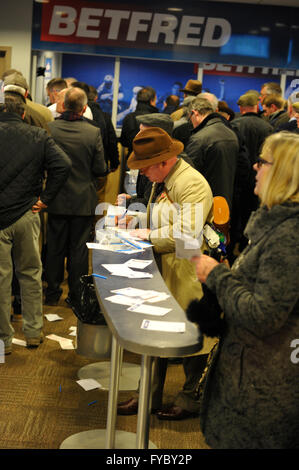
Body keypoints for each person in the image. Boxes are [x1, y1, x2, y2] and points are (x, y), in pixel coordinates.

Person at [191, 131, 299, 449]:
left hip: (265, 383)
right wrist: (228, 275)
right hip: (252, 372)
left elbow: (263, 315)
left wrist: (217, 277)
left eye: (262, 161)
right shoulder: (274, 225)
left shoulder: (287, 235)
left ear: (282, 173)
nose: (254, 167)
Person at [116, 127, 215, 420]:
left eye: (144, 167)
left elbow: (187, 235)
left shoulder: (191, 184)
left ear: (164, 160)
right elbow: (162, 218)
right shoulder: (164, 179)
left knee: (195, 335)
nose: (142, 173)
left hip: (187, 270)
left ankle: (190, 398)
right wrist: (135, 220)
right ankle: (147, 395)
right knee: (154, 331)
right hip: (164, 267)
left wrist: (146, 236)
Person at [0, 94, 71, 354]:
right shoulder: (38, 136)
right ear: (22, 114)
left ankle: (3, 342)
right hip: (26, 214)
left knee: (0, 280)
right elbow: (63, 164)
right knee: (30, 275)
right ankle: (32, 332)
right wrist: (45, 199)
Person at [44, 87, 107, 307]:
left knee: (54, 247)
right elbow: (100, 168)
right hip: (83, 199)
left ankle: (51, 294)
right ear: (84, 107)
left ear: (63, 105)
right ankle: (75, 296)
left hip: (55, 198)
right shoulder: (93, 132)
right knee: (79, 250)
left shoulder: (50, 128)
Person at [185, 96, 239, 212]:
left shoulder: (199, 138)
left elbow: (189, 176)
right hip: (226, 201)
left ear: (195, 113)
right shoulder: (231, 134)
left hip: (203, 204)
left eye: (190, 118)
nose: (191, 123)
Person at [120, 86, 159, 155]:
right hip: (152, 160)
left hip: (132, 159)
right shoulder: (157, 118)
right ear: (151, 101)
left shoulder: (129, 117)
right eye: (156, 100)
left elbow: (124, 142)